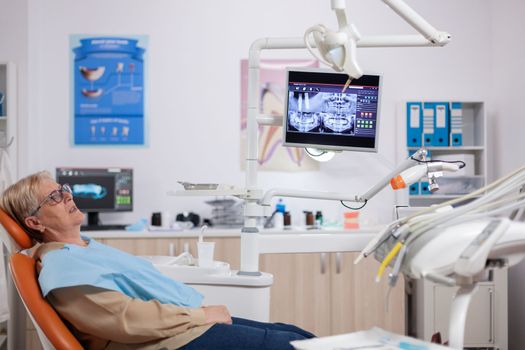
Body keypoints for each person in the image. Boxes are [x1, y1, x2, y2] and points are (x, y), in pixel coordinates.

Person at [1, 171, 315, 350]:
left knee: (292, 332)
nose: (67, 196)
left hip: (179, 329)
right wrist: (199, 316)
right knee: (291, 345)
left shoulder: (84, 248)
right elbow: (125, 319)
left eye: (63, 190)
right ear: (34, 223)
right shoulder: (61, 267)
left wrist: (198, 314)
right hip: (168, 342)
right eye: (53, 197)